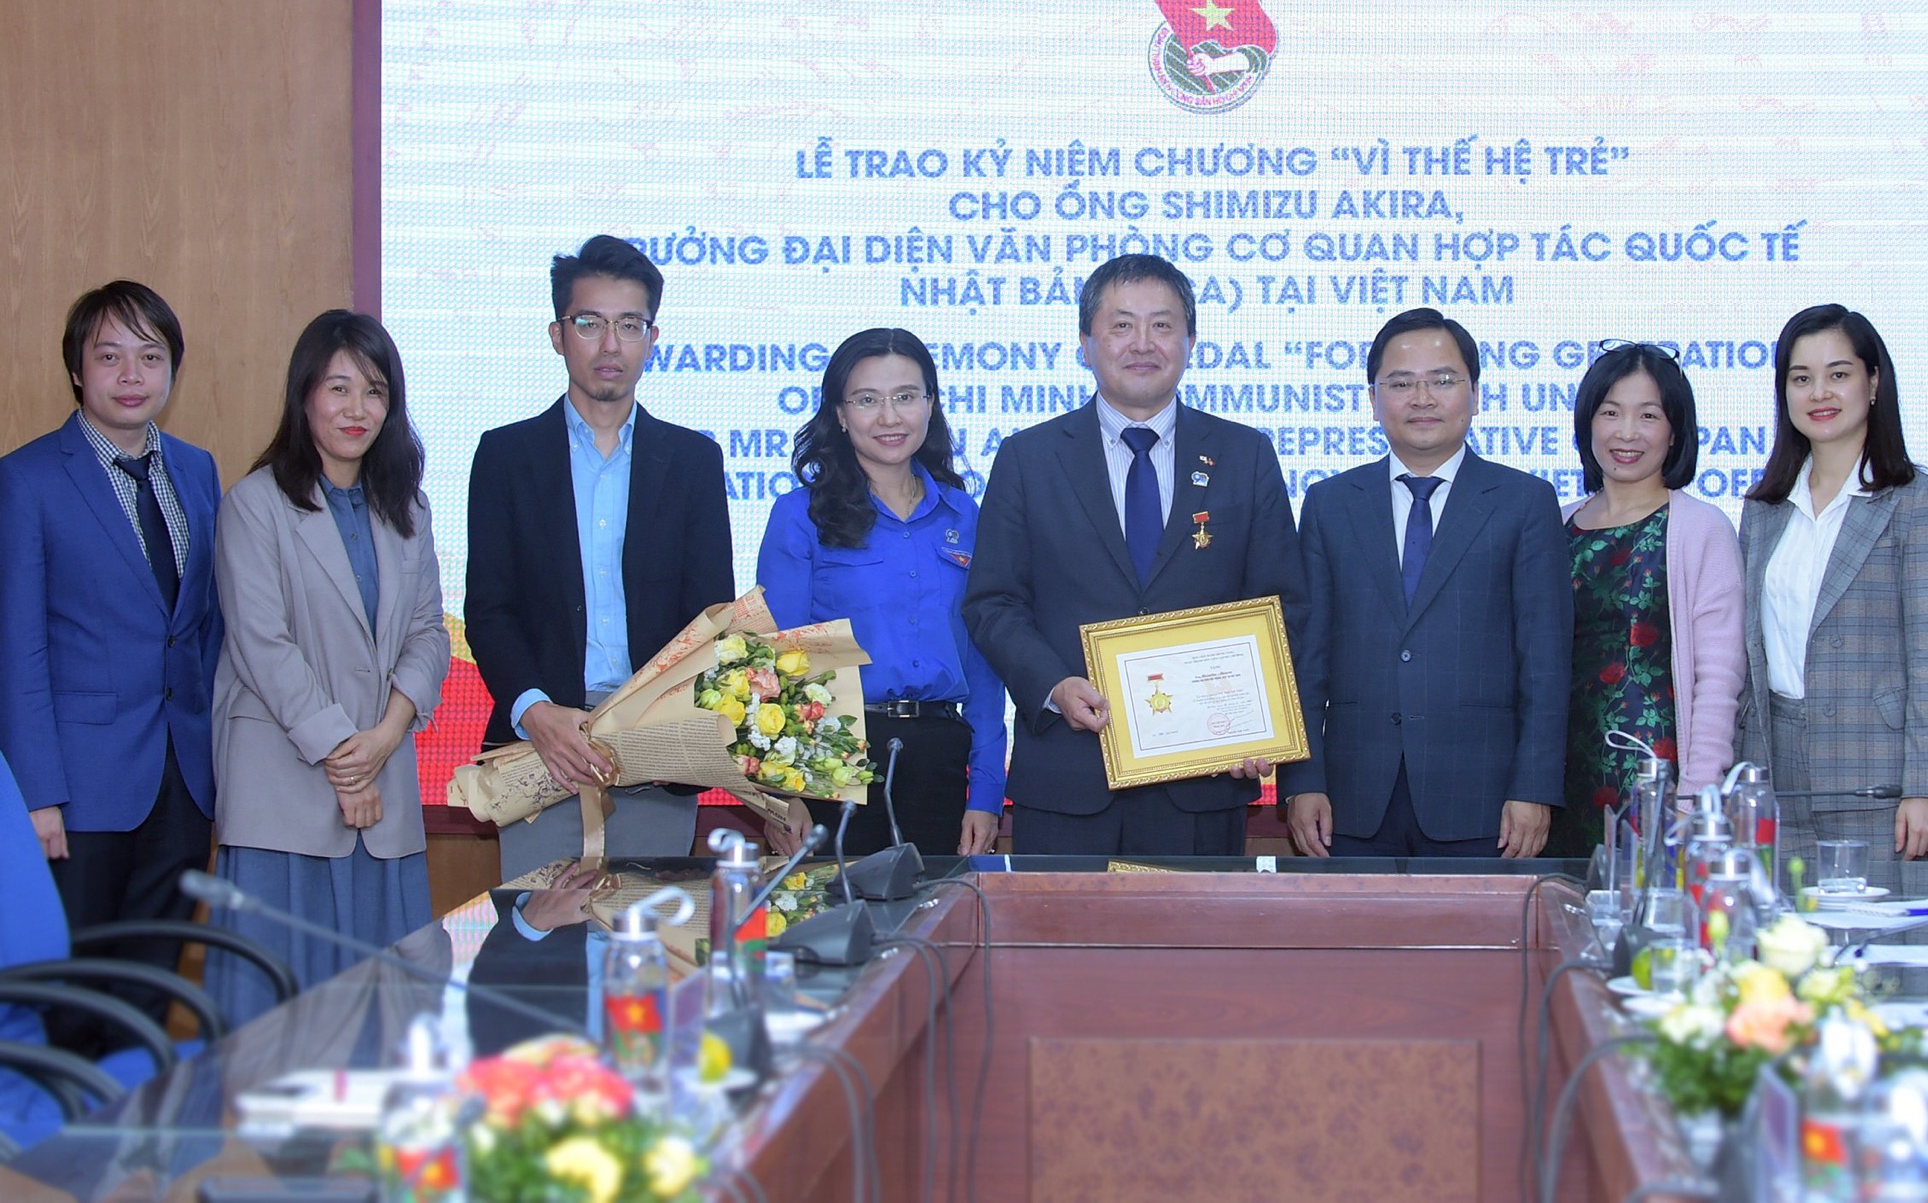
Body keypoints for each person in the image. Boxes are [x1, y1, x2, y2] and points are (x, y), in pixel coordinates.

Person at [963, 254, 1303, 856]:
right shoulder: (1029, 457)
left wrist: (1260, 717)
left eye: (1162, 325)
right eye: (1121, 325)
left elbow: (1281, 604)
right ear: (1085, 344)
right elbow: (993, 603)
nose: (1142, 343)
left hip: (1205, 775)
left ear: (1190, 341)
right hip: (1067, 777)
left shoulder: (1244, 454)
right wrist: (1052, 686)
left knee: (1190, 923)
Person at [465, 236, 737, 878]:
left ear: (652, 338)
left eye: (629, 325)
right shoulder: (506, 456)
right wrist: (534, 711)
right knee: (541, 935)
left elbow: (712, 616)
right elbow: (490, 608)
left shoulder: (693, 461)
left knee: (646, 939)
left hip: (656, 754)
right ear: (558, 336)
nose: (610, 344)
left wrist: (658, 719)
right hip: (541, 751)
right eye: (589, 323)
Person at [205, 311, 451, 1022]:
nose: (356, 408)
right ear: (304, 393)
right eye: (338, 388)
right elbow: (263, 645)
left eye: (374, 391)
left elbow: (428, 633)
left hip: (384, 786)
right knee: (276, 1025)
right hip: (284, 791)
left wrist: (386, 737)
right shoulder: (254, 504)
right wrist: (349, 761)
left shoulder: (407, 507)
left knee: (390, 1022)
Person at [0, 281, 223, 1024]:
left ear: (172, 369)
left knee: (150, 991)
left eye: (150, 357)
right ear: (77, 369)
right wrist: (36, 796)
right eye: (110, 356)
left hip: (184, 781)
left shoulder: (196, 469)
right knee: (70, 998)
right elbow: (18, 649)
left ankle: (140, 1105)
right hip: (79, 787)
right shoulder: (27, 479)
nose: (132, 375)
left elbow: (205, 627)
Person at [1284, 308, 1571, 860]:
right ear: (1373, 400)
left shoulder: (1524, 502)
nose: (1422, 398)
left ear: (1475, 394)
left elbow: (1545, 663)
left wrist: (1534, 787)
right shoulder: (1330, 503)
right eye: (1400, 383)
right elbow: (1307, 659)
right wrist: (1303, 779)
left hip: (1485, 799)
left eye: (1442, 380)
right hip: (1349, 798)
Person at [758, 328, 1008, 857]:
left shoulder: (964, 516)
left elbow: (985, 669)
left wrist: (987, 792)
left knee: (937, 909)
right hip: (831, 755)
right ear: (840, 413)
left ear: (930, 405)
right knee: (835, 909)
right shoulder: (801, 516)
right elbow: (776, 662)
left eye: (905, 397)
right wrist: (782, 793)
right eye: (867, 400)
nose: (889, 417)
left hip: (940, 754)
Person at [1738, 307, 1928, 862]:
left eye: (1838, 374)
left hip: (1876, 774)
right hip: (1772, 774)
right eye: (1801, 378)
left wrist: (1926, 787)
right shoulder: (1763, 509)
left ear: (1874, 382)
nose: (1819, 393)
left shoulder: (1916, 500)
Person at [1550, 342, 1743, 862]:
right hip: (1558, 783)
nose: (1627, 433)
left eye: (1649, 416)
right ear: (1587, 423)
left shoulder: (1701, 528)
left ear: (1675, 431)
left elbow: (1719, 675)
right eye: (1611, 412)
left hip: (1658, 782)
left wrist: (1698, 794)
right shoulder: (1554, 523)